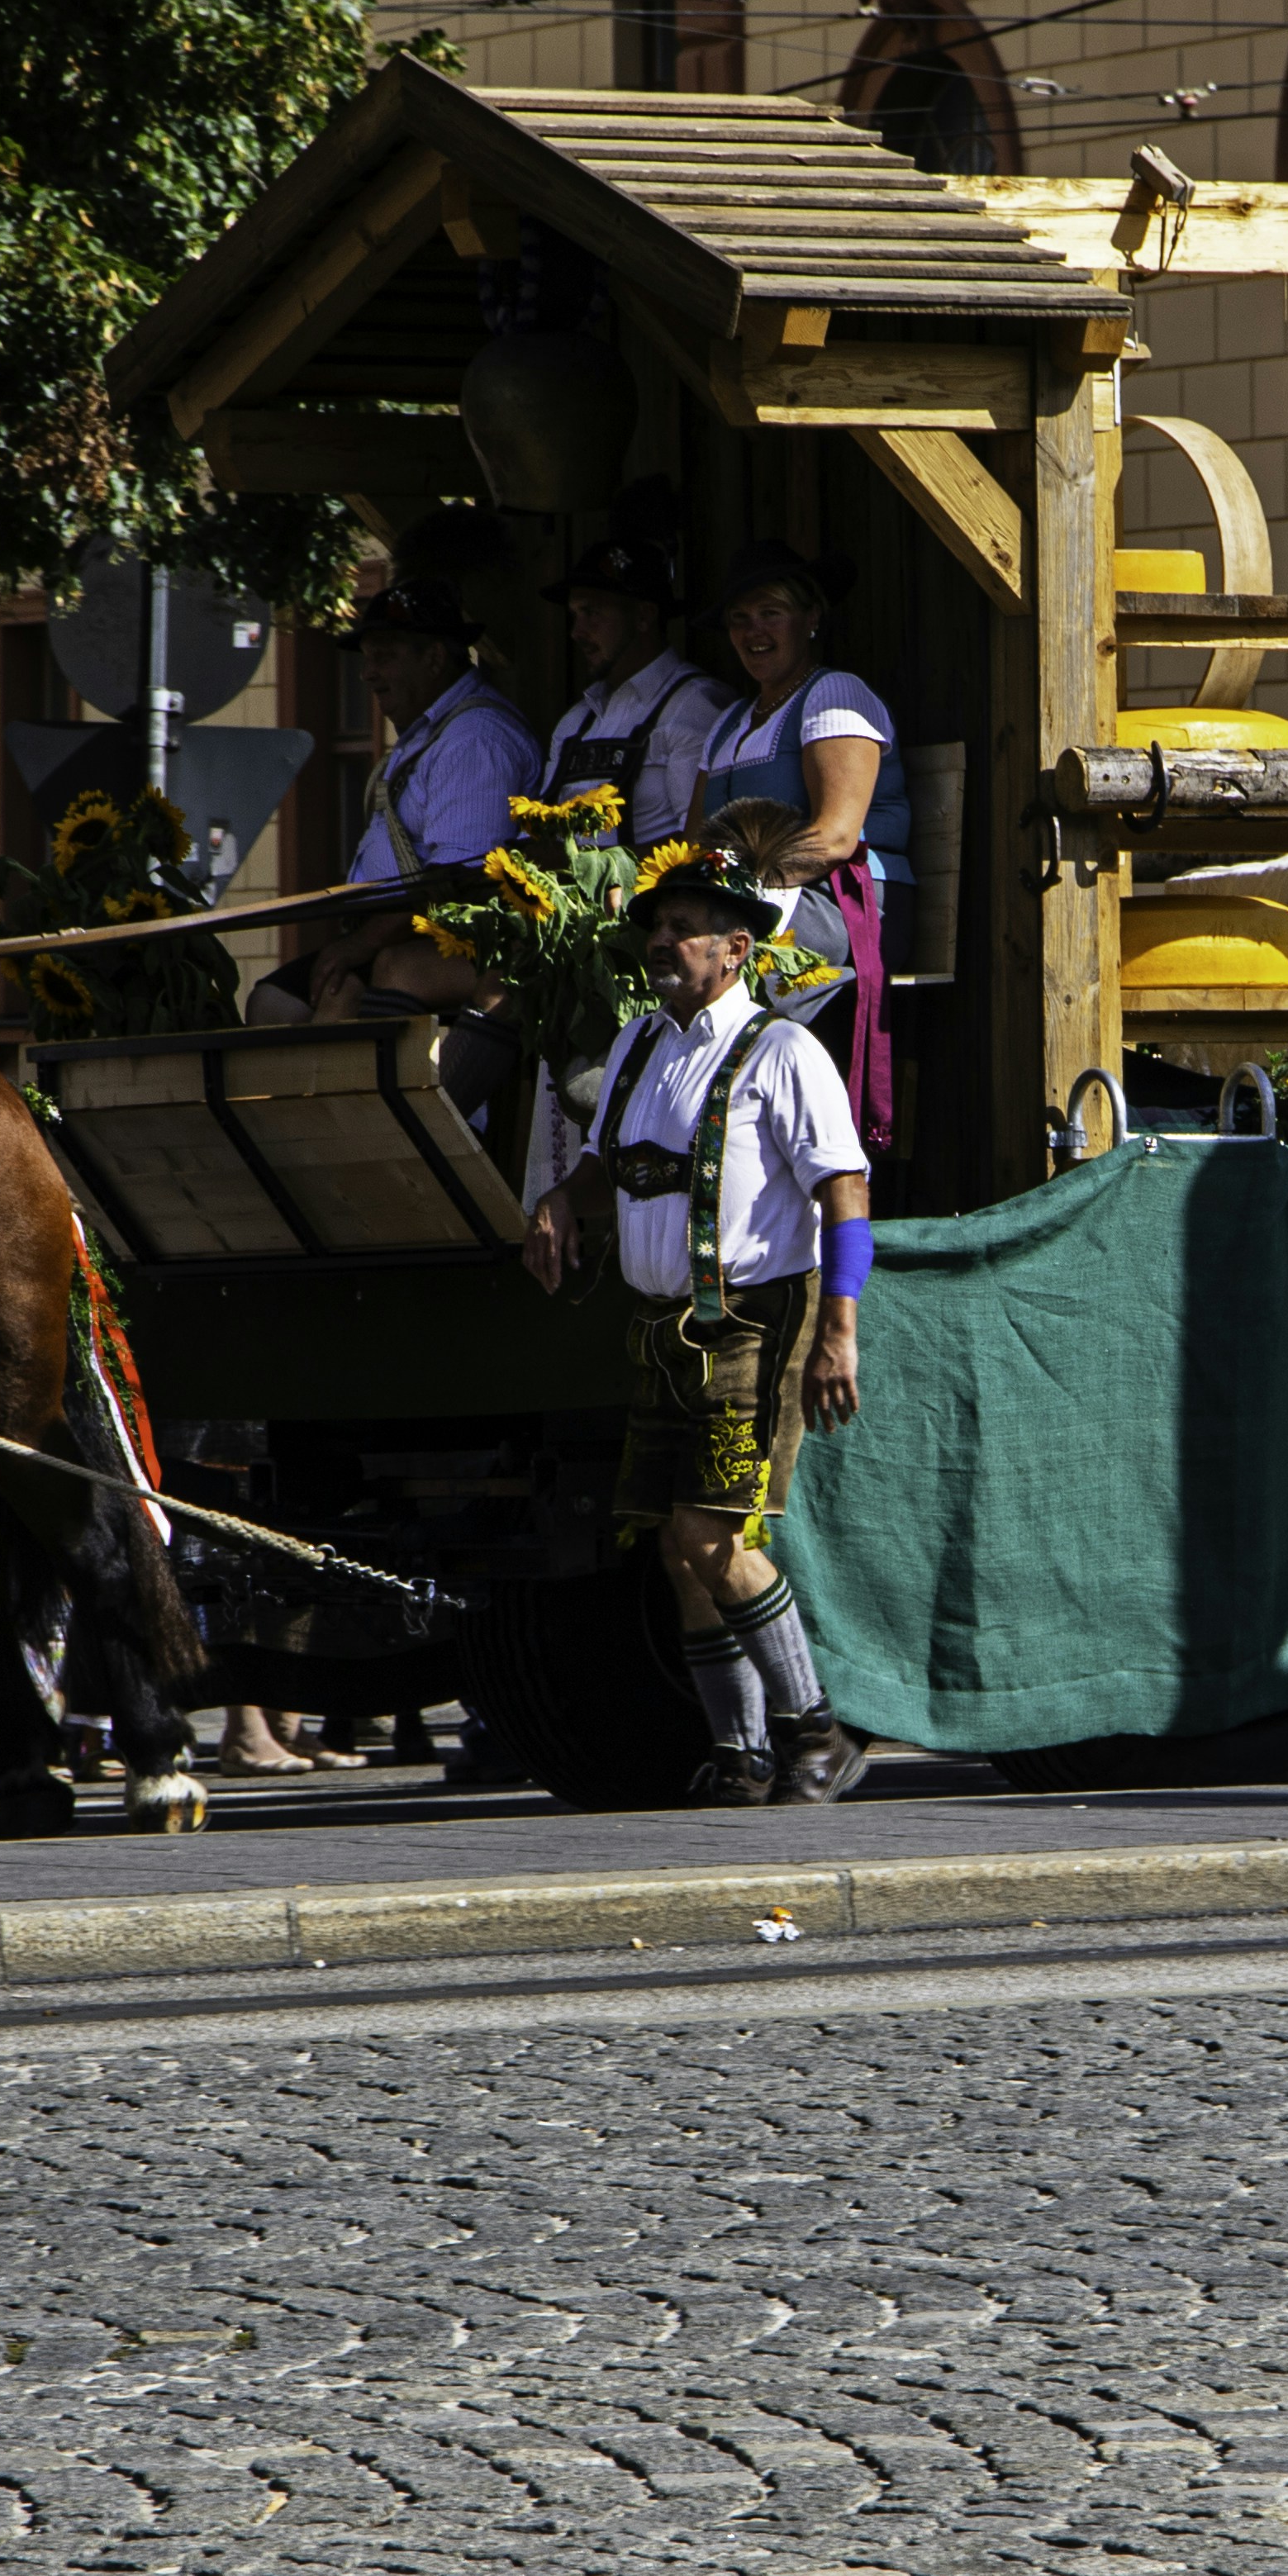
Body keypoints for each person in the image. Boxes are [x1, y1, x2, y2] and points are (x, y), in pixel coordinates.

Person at [520, 822, 874, 1808]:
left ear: (738, 950)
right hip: (658, 1327)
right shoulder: (636, 1044)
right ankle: (744, 1753)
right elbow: (607, 1173)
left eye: (685, 928)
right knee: (676, 1549)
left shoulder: (785, 1050)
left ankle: (820, 1732)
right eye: (657, 927)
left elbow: (846, 1191)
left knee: (708, 1537)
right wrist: (559, 1202)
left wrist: (840, 1329)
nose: (663, 943)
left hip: (755, 1322)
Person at [690, 538, 913, 1124]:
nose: (752, 630)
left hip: (844, 906)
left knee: (700, 948)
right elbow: (693, 845)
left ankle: (739, 1105)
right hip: (751, 903)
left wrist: (732, 894)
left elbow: (835, 840)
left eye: (770, 612)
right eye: (739, 618)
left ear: (811, 618)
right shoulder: (728, 725)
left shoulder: (834, 694)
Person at [267, 560, 542, 1021]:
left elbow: (458, 885)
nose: (367, 674)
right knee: (273, 1004)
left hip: (433, 943)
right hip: (390, 934)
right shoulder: (429, 730)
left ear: (434, 658)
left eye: (385, 657)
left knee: (334, 1013)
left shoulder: (475, 738)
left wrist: (363, 943)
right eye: (367, 657)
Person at [539, 500, 734, 844]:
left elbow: (701, 846)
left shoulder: (693, 707)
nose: (577, 632)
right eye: (574, 615)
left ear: (644, 616)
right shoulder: (575, 724)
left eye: (592, 613)